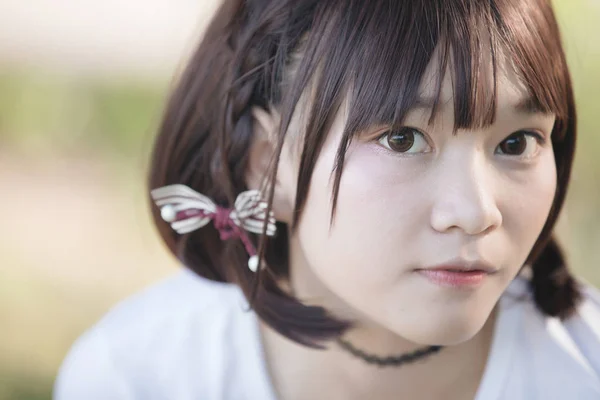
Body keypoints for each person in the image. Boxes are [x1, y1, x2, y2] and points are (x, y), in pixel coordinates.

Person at [54, 0, 600, 399]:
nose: (478, 212)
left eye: (516, 142)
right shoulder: (138, 376)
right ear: (268, 164)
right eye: (402, 138)